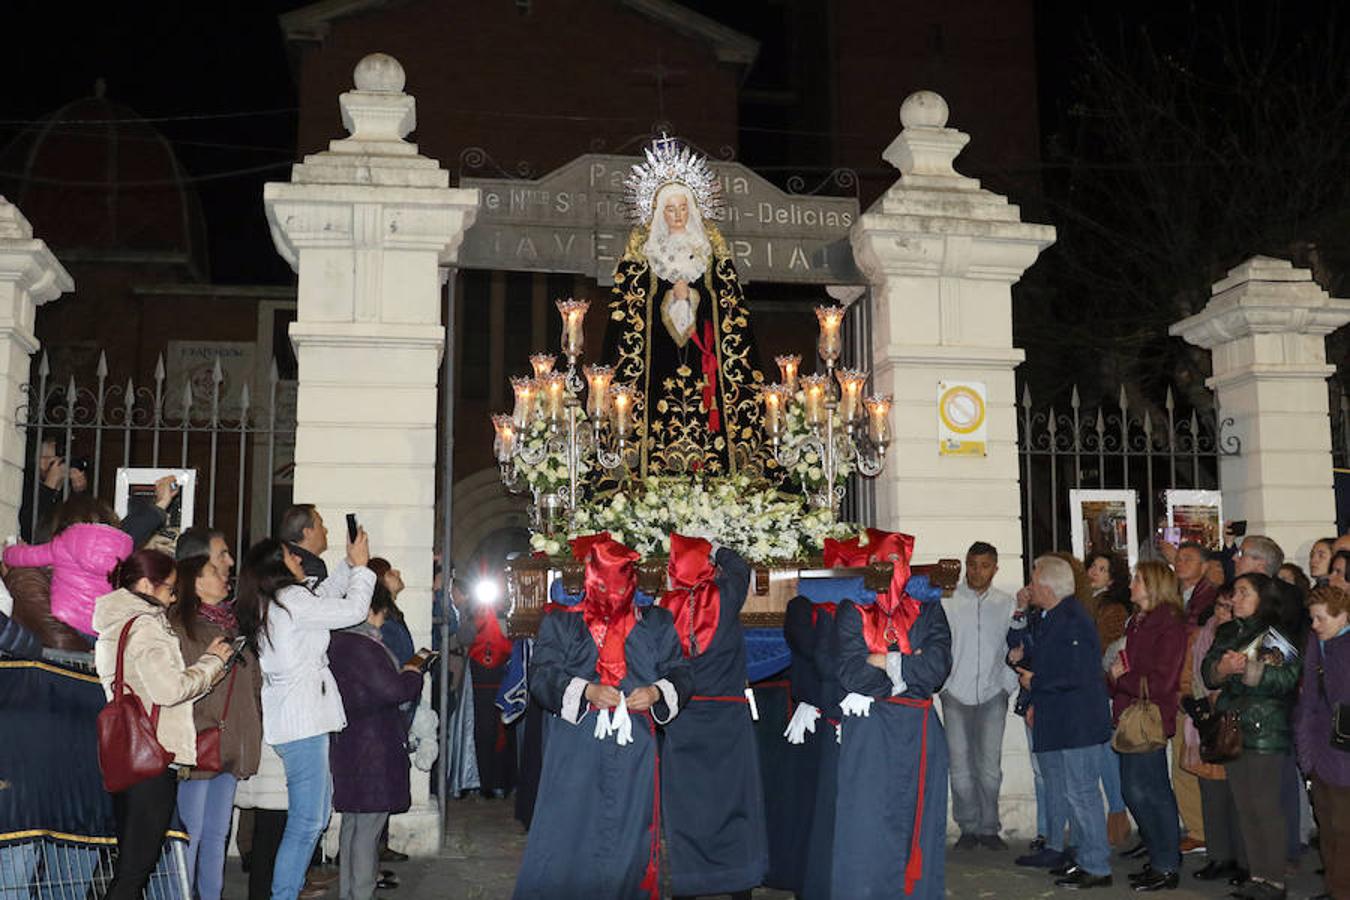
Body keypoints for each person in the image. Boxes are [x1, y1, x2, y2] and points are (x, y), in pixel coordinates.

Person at [513, 535, 692, 898]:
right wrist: (587, 690)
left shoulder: (656, 622)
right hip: (577, 744)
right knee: (570, 830)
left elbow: (681, 673)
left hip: (634, 748)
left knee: (630, 831)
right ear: (590, 576)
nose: (613, 587)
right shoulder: (562, 623)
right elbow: (542, 676)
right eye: (605, 577)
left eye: (622, 578)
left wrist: (656, 692)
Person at [604, 138, 765, 479]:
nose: (677, 216)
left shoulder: (711, 253)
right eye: (669, 209)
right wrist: (667, 295)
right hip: (655, 368)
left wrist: (694, 298)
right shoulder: (642, 255)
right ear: (658, 212)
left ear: (692, 209)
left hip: (707, 369)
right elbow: (625, 317)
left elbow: (732, 311)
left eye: (682, 208)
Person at [235, 528, 375, 900]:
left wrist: (347, 564)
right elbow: (352, 610)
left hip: (298, 720)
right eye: (290, 555)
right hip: (303, 722)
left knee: (309, 818)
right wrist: (361, 569)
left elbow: (322, 601)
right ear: (276, 566)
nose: (299, 559)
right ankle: (283, 894)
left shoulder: (279, 600)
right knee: (307, 822)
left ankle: (286, 891)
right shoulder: (290, 600)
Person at [91, 549, 234, 900]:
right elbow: (170, 690)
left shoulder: (117, 624)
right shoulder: (146, 626)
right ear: (145, 585)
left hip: (126, 754)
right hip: (152, 755)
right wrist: (211, 664)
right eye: (170, 589)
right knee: (135, 869)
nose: (173, 597)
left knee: (130, 863)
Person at [830, 529, 952, 898]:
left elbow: (937, 668)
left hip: (920, 732)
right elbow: (850, 670)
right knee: (866, 823)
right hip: (870, 734)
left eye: (895, 561)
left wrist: (883, 661)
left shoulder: (929, 610)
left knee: (919, 824)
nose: (888, 569)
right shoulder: (852, 610)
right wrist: (904, 675)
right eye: (880, 562)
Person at [658, 534, 768, 898]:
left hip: (685, 717)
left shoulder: (663, 609)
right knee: (735, 801)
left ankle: (690, 882)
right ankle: (740, 884)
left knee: (688, 804)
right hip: (728, 718)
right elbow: (741, 568)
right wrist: (717, 546)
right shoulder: (726, 594)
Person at [1012, 555, 1114, 889]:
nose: (1031, 585)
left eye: (1035, 579)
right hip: (1064, 719)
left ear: (1047, 586)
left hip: (1078, 722)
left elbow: (1077, 673)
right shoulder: (1055, 616)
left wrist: (1035, 682)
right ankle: (1085, 857)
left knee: (1083, 793)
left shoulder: (1071, 619)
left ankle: (1097, 866)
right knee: (1074, 793)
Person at [1203, 572, 1302, 900]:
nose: (1235, 599)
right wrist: (1222, 669)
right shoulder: (1228, 630)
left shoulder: (1277, 632)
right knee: (1244, 806)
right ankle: (1257, 874)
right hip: (1232, 727)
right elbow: (1208, 672)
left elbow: (1288, 678)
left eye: (1244, 593)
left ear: (1263, 597)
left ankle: (1274, 881)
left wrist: (1248, 669)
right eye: (1235, 593)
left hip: (1265, 730)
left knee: (1265, 806)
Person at [170, 555, 263, 900]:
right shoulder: (182, 628)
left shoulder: (233, 626)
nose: (224, 576)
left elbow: (253, 684)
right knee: (190, 832)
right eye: (213, 572)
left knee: (217, 832)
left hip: (231, 743)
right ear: (194, 583)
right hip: (199, 743)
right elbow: (180, 686)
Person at [328, 584, 426, 900]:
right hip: (373, 744)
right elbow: (393, 691)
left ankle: (348, 892)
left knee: (352, 825)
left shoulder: (336, 642)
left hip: (349, 742)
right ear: (370, 611)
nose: (381, 624)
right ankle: (362, 893)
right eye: (381, 616)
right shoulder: (364, 646)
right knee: (368, 829)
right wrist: (413, 673)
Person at [1107, 562, 1188, 891]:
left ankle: (1166, 863)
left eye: (1138, 579)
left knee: (1150, 791)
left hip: (1149, 718)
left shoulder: (1167, 624)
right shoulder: (1138, 622)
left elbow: (1162, 680)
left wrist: (1120, 679)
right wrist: (1117, 679)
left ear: (1153, 585)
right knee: (1134, 790)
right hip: (1131, 715)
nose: (1131, 584)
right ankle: (1159, 856)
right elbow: (1127, 666)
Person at [942, 541, 1018, 850]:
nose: (977, 571)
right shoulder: (948, 601)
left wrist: (1006, 684)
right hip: (954, 694)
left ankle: (989, 828)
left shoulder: (1007, 604)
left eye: (985, 565)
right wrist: (944, 684)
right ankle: (968, 826)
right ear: (965, 565)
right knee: (959, 769)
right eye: (972, 565)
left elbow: (1014, 645)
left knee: (989, 769)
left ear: (995, 569)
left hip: (992, 695)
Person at [1182, 586, 1250, 886]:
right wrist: (1193, 703)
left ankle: (1241, 860)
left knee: (1236, 797)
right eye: (1219, 607)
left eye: (1228, 607)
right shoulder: (1201, 636)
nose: (1222, 613)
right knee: (1210, 793)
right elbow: (1187, 674)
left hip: (1233, 725)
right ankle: (1218, 856)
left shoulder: (1243, 638)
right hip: (1204, 722)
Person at [1295, 584, 1350, 900]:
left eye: (1320, 618)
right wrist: (1306, 753)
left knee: (1344, 830)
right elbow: (1308, 701)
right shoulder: (1319, 643)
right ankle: (1334, 887)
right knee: (1327, 827)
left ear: (1343, 615)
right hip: (1319, 749)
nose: (1314, 626)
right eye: (1312, 619)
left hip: (1343, 753)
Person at [277, 504, 329, 583]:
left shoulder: (277, 557)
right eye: (320, 525)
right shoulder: (312, 565)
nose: (325, 530)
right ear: (307, 532)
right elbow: (322, 594)